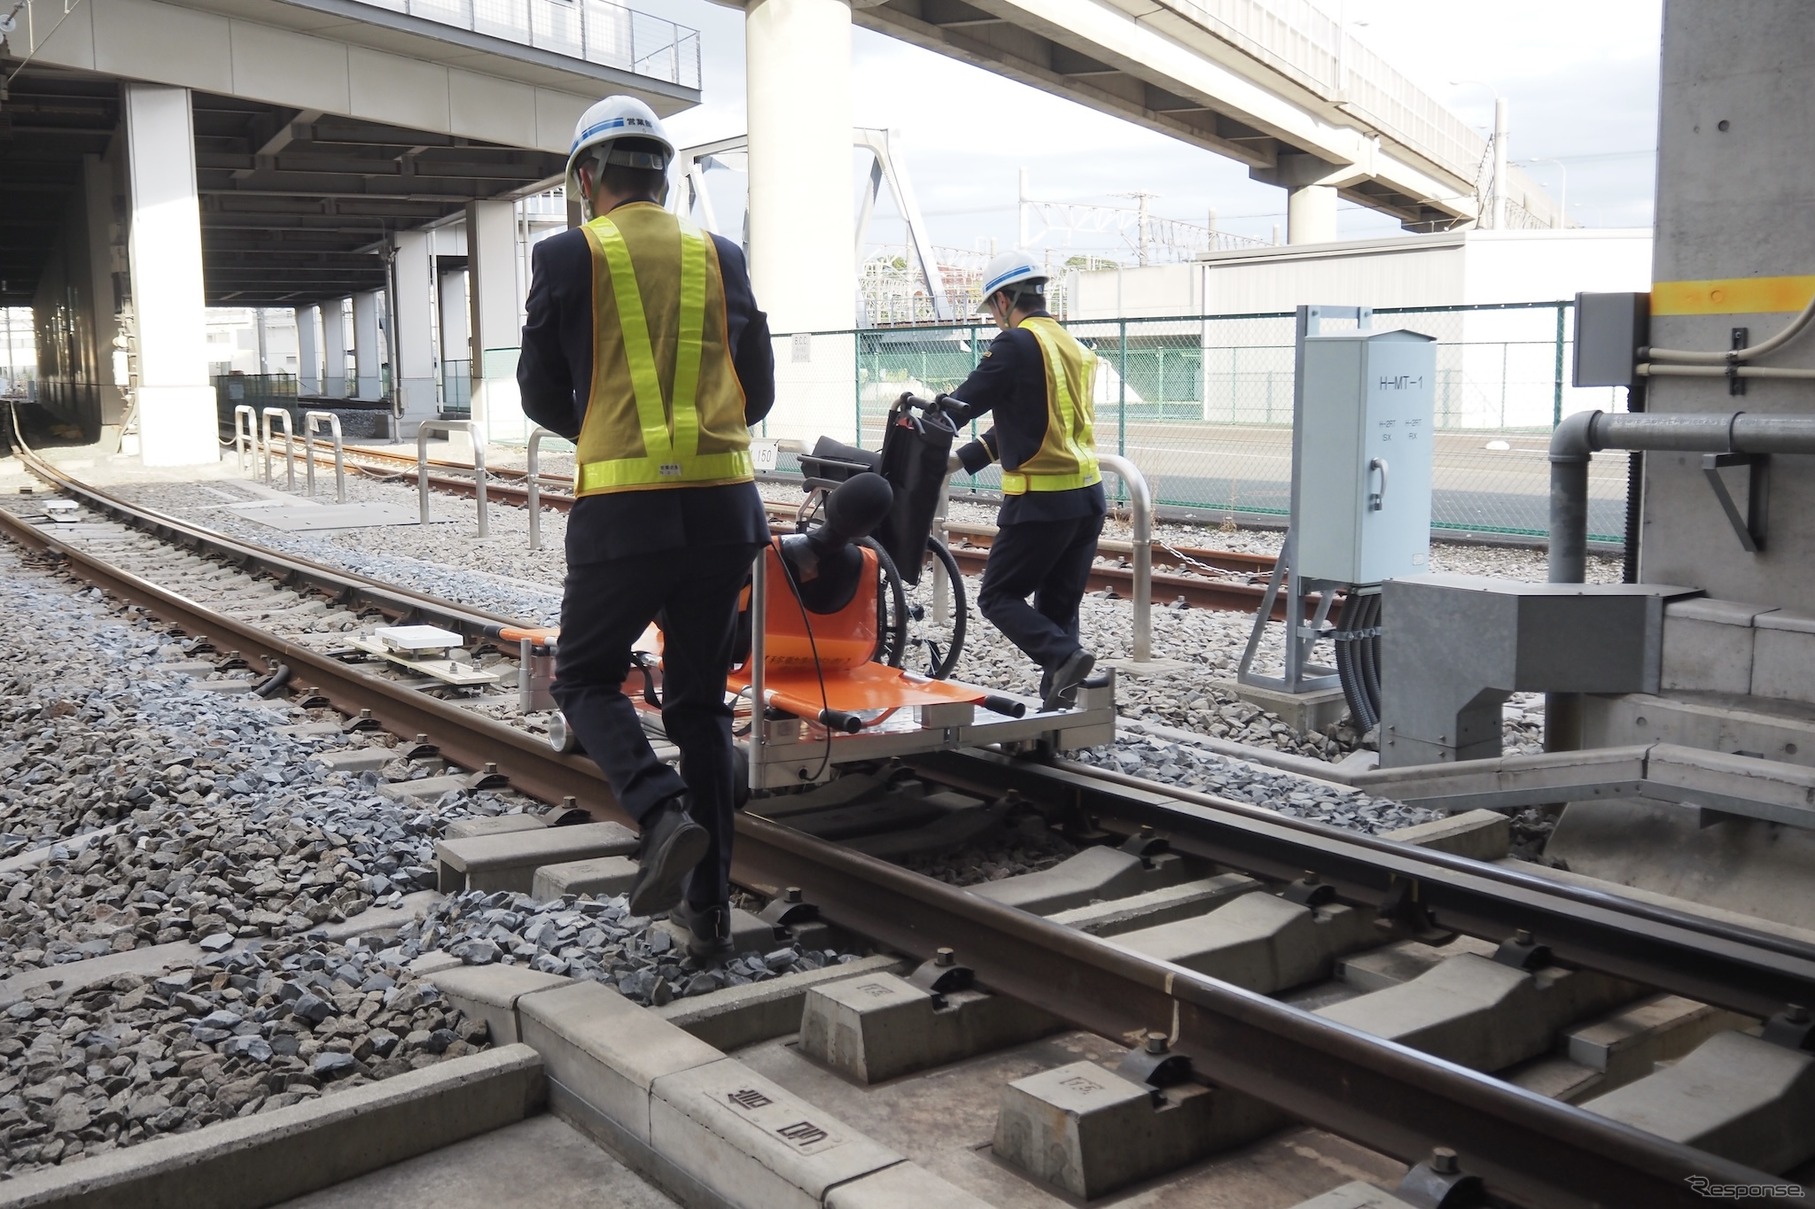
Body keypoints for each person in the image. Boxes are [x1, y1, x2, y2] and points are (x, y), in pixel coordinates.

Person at [517, 96, 774, 959]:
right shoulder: (719, 255)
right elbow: (758, 392)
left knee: (585, 678)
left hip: (624, 510)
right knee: (698, 703)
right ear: (661, 173)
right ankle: (710, 913)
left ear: (586, 177)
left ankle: (661, 813)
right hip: (725, 508)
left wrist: (605, 425)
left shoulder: (565, 255)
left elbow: (539, 393)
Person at [933, 250, 1104, 712]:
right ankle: (1058, 713)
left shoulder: (1015, 344)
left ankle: (1065, 657)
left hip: (1040, 500)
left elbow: (962, 405)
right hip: (1087, 499)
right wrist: (961, 460)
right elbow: (1026, 420)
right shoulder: (1071, 346)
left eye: (993, 308)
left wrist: (920, 432)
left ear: (1005, 300)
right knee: (1057, 611)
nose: (994, 318)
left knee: (998, 596)